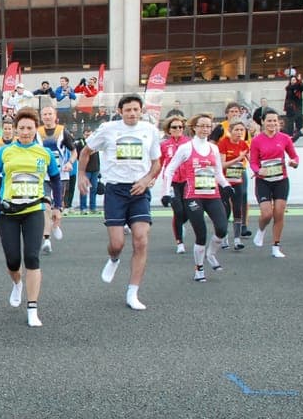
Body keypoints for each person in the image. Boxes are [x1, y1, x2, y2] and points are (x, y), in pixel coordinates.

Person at [77, 94, 161, 310]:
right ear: (120, 111)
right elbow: (86, 151)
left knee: (140, 240)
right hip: (115, 190)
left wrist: (146, 180)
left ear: (141, 110)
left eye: (136, 109)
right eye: (128, 110)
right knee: (117, 244)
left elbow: (156, 164)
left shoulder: (149, 131)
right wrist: (81, 174)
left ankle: (133, 292)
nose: (132, 113)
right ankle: (114, 259)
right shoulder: (108, 128)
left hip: (139, 190)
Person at [0, 108, 62, 327]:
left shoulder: (43, 154)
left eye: (30, 128)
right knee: (13, 260)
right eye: (22, 128)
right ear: (15, 129)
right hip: (8, 212)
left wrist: (57, 206)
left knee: (32, 258)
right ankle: (17, 284)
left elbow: (55, 179)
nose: (25, 132)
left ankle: (32, 307)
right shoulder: (5, 152)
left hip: (34, 210)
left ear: (36, 130)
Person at [162, 114, 233, 282]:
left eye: (208, 126)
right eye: (201, 126)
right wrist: (165, 193)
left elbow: (217, 172)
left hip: (212, 194)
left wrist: (226, 185)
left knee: (222, 229)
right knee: (201, 233)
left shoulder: (213, 148)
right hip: (193, 195)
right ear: (194, 127)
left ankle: (211, 254)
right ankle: (199, 268)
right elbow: (170, 170)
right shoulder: (186, 147)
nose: (205, 129)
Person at [249, 109, 299, 258]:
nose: (272, 123)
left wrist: (294, 162)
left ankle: (276, 246)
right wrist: (258, 170)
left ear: (279, 122)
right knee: (267, 214)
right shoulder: (257, 140)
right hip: (263, 181)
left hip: (281, 180)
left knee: (279, 213)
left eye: (275, 121)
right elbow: (253, 162)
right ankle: (261, 230)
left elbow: (294, 156)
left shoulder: (285, 138)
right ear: (263, 122)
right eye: (269, 120)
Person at [37, 106, 74, 252]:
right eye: (44, 114)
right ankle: (47, 240)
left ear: (55, 115)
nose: (47, 116)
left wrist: (70, 162)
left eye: (49, 114)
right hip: (43, 175)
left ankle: (56, 224)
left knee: (57, 207)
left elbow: (74, 151)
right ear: (41, 117)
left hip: (60, 175)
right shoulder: (37, 133)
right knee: (45, 206)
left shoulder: (62, 131)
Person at [159, 116, 190, 254]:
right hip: (172, 182)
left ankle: (181, 224)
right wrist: (152, 178)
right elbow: (159, 163)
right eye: (174, 127)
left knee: (188, 210)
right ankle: (180, 242)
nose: (178, 130)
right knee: (178, 210)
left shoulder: (189, 143)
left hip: (188, 181)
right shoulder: (164, 145)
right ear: (168, 130)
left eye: (180, 127)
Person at [217, 120, 250, 250]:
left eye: (242, 130)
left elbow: (252, 160)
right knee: (226, 210)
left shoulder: (243, 144)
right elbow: (222, 165)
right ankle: (224, 238)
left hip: (238, 180)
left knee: (238, 208)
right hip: (225, 182)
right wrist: (237, 159)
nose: (239, 132)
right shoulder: (223, 143)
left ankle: (237, 239)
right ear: (230, 131)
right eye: (236, 130)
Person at [77, 126, 100, 214]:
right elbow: (80, 156)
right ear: (83, 134)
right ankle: (83, 208)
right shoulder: (81, 143)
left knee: (94, 189)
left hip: (95, 169)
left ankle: (92, 207)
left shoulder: (96, 143)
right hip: (86, 170)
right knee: (84, 189)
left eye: (89, 133)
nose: (88, 135)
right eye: (86, 133)